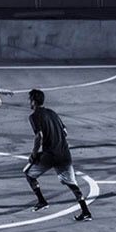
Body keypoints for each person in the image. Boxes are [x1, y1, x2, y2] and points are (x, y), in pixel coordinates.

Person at [24, 89, 92, 222]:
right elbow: (65, 132)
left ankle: (42, 201)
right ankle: (85, 211)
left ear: (33, 101)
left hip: (50, 155)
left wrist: (33, 154)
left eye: (30, 100)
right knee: (72, 183)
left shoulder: (34, 116)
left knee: (28, 173)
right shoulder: (53, 113)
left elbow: (39, 137)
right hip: (64, 153)